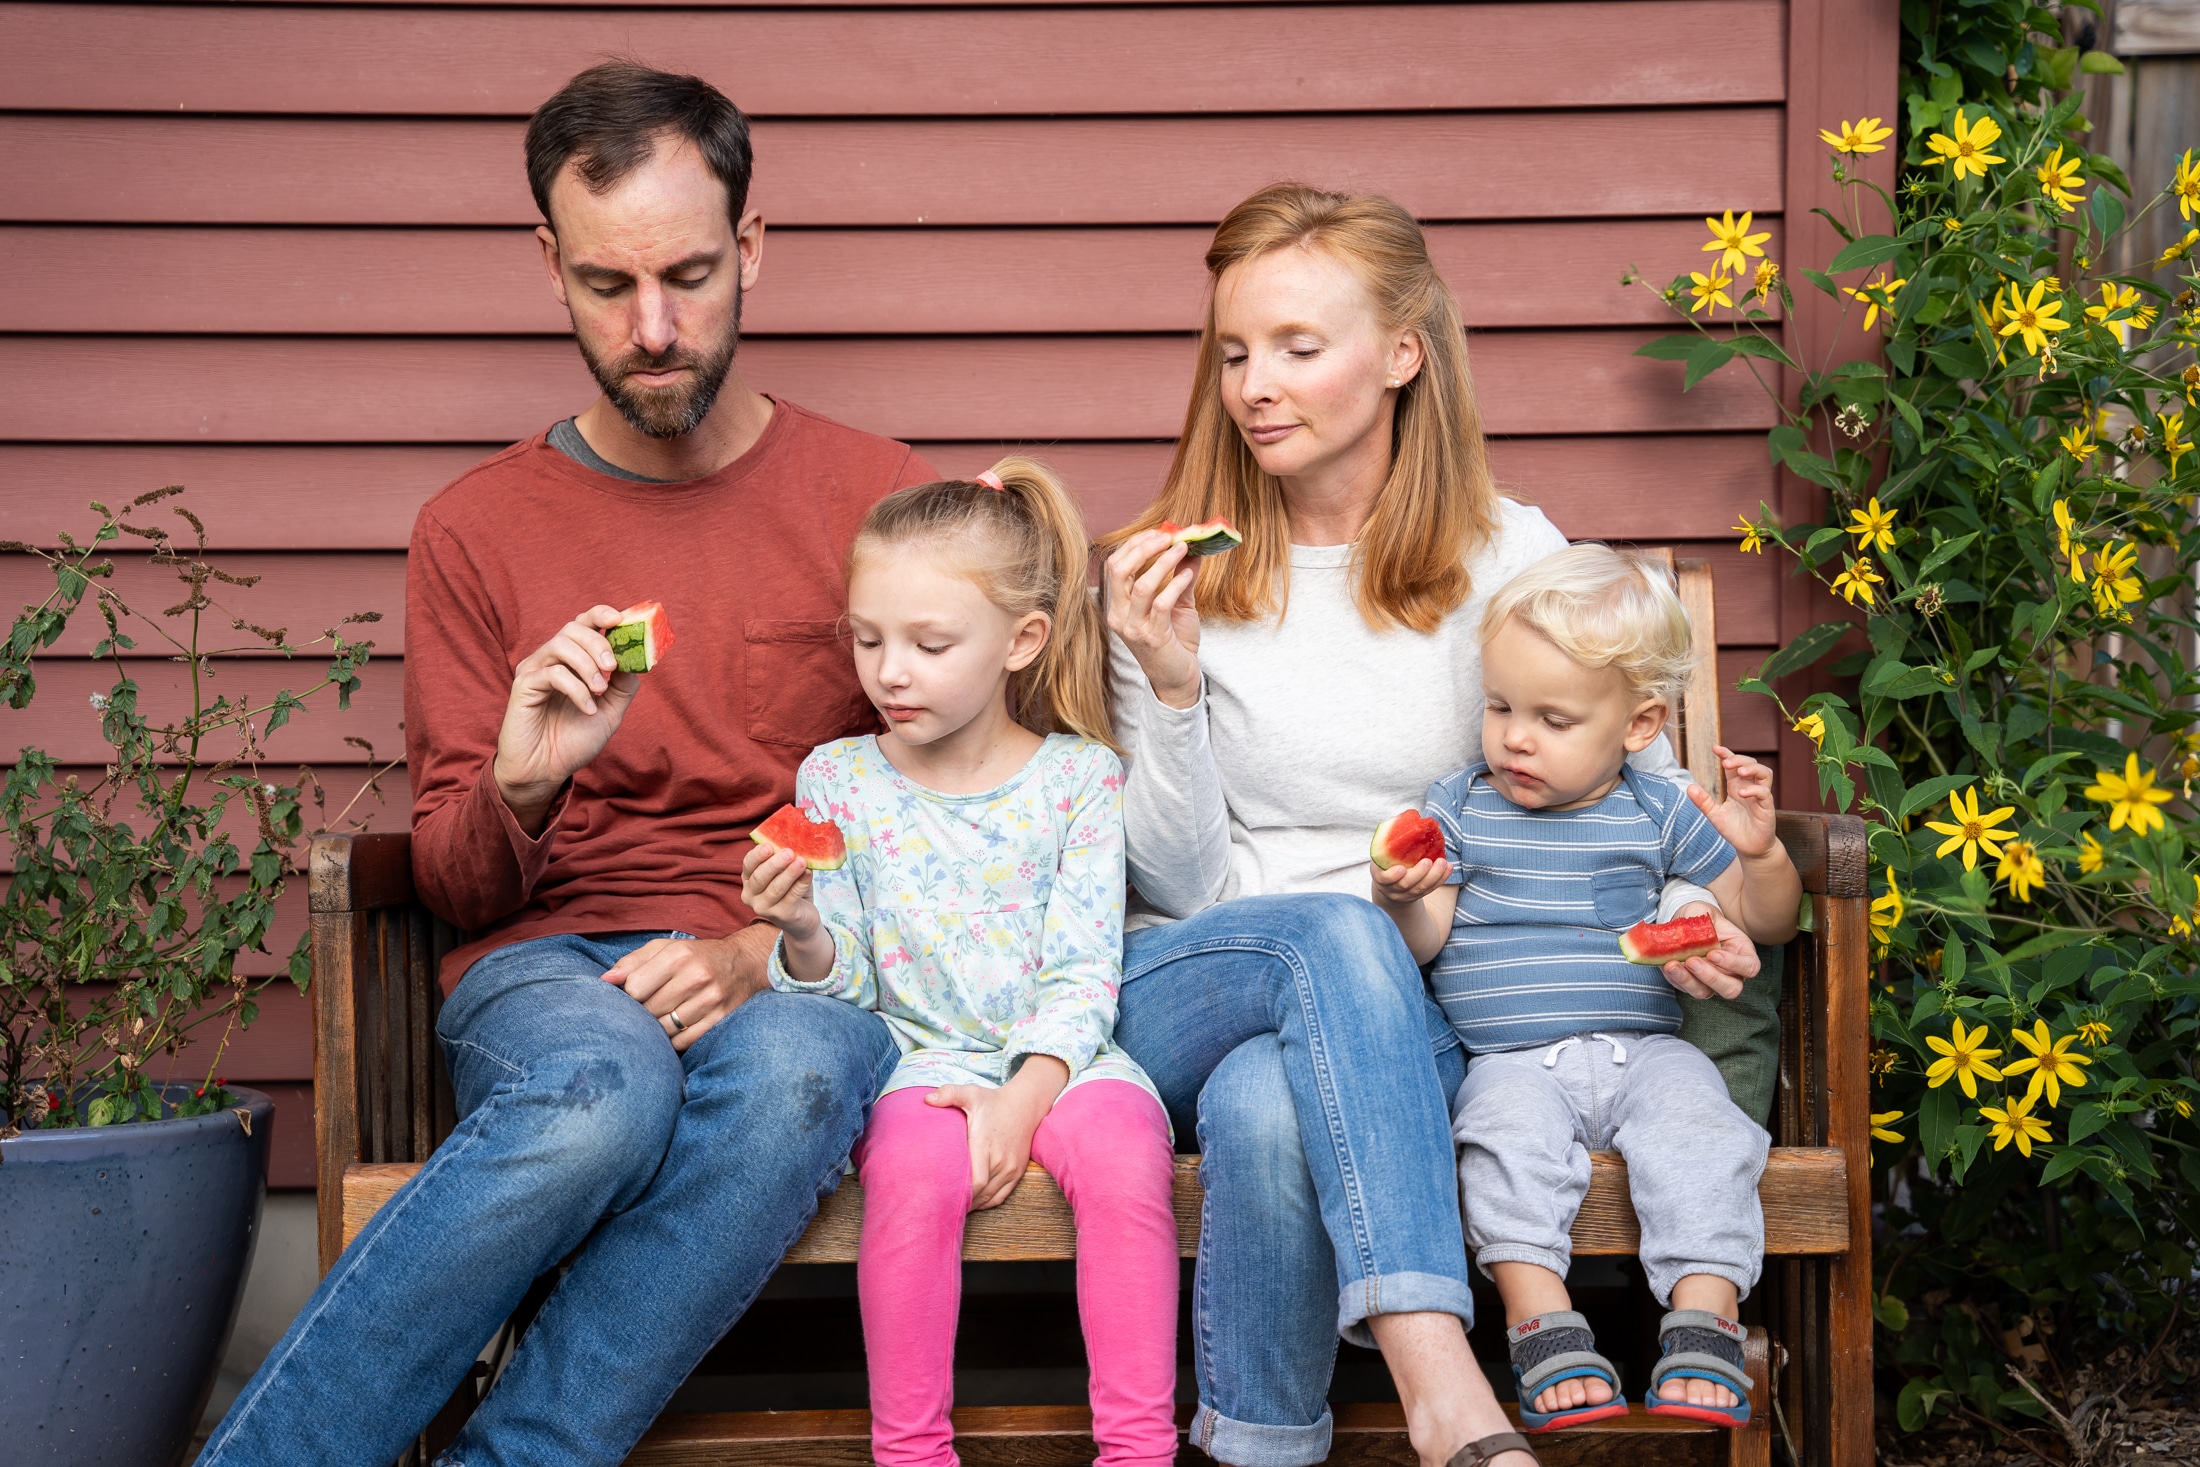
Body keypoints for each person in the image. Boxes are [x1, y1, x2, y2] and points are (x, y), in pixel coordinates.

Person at [198, 62, 936, 1466]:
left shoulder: (878, 500)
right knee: (604, 1085)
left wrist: (751, 949)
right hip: (548, 966)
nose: (653, 329)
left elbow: (941, 804)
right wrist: (524, 775)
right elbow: (463, 889)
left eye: (689, 274)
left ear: (756, 247)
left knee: (800, 1072)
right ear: (548, 266)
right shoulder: (475, 529)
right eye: (607, 285)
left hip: (789, 959)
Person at [1100, 182, 1765, 1467]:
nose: (1255, 385)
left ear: (1403, 354)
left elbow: (1634, 792)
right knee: (1341, 938)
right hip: (1199, 972)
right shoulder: (1176, 573)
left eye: (1298, 348)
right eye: (1235, 352)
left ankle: (1253, 1448)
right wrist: (1169, 684)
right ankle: (1439, 1374)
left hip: (1419, 1027)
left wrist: (1697, 920)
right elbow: (1177, 888)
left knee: (1271, 1111)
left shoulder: (1510, 559)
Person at [743, 460, 1177, 1467]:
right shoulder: (836, 778)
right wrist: (801, 930)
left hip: (1064, 1062)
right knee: (910, 1172)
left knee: (1125, 1162)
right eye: (867, 640)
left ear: (1020, 641)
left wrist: (1024, 1099)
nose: (891, 671)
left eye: (929, 644)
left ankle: (1138, 1451)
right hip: (917, 1060)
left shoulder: (1079, 779)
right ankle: (911, 1453)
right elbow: (845, 990)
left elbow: (1082, 970)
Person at [1369, 544, 1800, 1432]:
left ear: (1639, 725)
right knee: (1497, 1140)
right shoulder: (1460, 805)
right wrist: (1398, 895)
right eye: (1500, 707)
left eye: (1553, 719)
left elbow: (1768, 922)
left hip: (1647, 1050)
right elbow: (1426, 940)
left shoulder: (1662, 807)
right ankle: (1541, 1325)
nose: (1516, 736)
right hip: (1509, 1060)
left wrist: (1759, 855)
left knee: (1706, 1127)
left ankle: (1706, 1320)